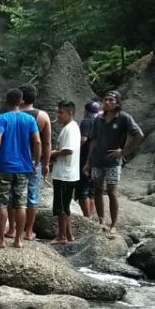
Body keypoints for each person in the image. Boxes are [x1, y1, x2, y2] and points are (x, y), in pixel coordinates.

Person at [84, 91, 144, 236]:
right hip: (98, 160)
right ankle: (101, 221)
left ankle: (114, 224)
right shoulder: (98, 119)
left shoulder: (124, 118)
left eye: (111, 100)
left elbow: (139, 135)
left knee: (111, 192)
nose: (107, 102)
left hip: (113, 162)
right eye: (105, 99)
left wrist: (123, 151)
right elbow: (94, 140)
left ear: (117, 103)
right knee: (97, 189)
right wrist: (88, 161)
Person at [0, 89, 40, 249]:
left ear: (6, 101)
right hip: (23, 167)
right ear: (22, 101)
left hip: (4, 166)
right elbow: (37, 142)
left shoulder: (2, 118)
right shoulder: (29, 119)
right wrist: (36, 163)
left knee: (2, 204)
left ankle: (1, 240)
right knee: (21, 204)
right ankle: (19, 240)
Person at [18, 85, 51, 242]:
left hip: (15, 161)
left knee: (15, 195)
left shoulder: (12, 115)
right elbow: (46, 143)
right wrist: (45, 163)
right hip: (33, 161)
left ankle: (13, 229)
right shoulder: (42, 116)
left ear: (20, 98)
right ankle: (29, 231)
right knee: (32, 196)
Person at [49, 101, 80, 245]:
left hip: (64, 174)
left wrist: (52, 154)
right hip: (68, 173)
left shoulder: (70, 129)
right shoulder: (71, 128)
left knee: (61, 206)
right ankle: (68, 234)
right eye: (58, 112)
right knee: (65, 205)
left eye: (61, 112)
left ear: (70, 113)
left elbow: (68, 150)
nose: (58, 115)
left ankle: (61, 236)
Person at [77, 100, 100, 218]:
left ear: (85, 111)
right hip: (97, 160)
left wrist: (74, 149)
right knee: (91, 191)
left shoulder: (86, 122)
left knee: (83, 190)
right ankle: (90, 216)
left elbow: (83, 139)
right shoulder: (100, 121)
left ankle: (87, 218)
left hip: (85, 159)